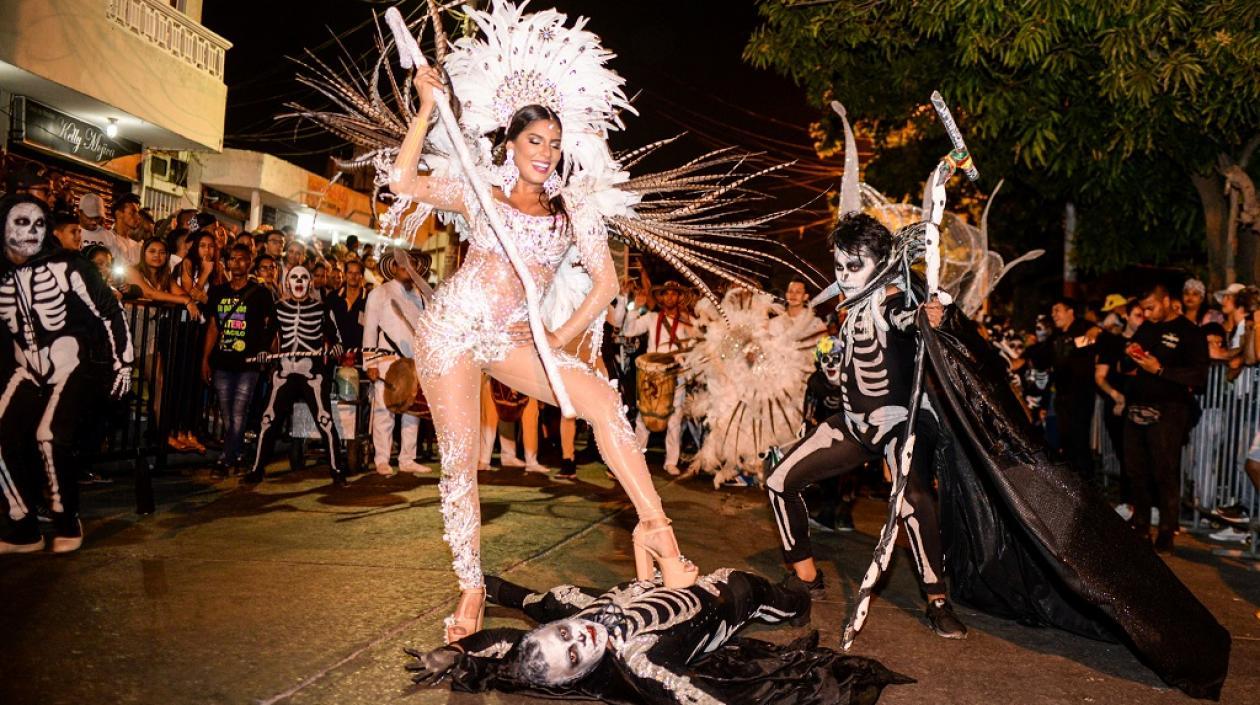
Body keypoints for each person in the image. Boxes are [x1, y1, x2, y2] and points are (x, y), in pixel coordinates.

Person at [762, 213, 964, 639]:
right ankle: (805, 577)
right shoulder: (851, 306)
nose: (844, 275)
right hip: (854, 423)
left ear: (881, 263)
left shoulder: (891, 300)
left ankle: (937, 599)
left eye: (855, 266)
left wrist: (928, 316)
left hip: (897, 423)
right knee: (779, 480)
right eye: (839, 266)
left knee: (912, 498)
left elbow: (907, 319)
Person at [404, 570, 911, 705]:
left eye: (564, 634)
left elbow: (513, 625)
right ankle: (796, 591)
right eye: (576, 652)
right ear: (583, 671)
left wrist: (456, 648)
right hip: (729, 593)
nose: (581, 635)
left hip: (670, 574)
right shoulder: (641, 661)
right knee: (789, 602)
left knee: (548, 599)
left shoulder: (579, 612)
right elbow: (695, 698)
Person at [0, 196, 133, 554]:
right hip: (25, 368)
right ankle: (22, 527)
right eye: (20, 223)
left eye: (36, 223)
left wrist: (123, 362)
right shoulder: (3, 274)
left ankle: (66, 519)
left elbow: (109, 310)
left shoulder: (69, 266)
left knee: (49, 435)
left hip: (70, 361)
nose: (29, 232)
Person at [1122, 283, 1209, 553]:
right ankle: (1141, 525)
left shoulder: (1190, 332)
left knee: (1164, 470)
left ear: (1167, 300)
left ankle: (1167, 530)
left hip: (1170, 409)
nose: (1147, 314)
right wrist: (1130, 355)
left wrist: (1160, 370)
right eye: (1143, 309)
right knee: (1135, 469)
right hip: (1137, 405)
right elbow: (1126, 365)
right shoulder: (1147, 328)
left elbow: (1199, 376)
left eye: (1151, 308)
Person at [245, 264, 346, 486]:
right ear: (287, 283)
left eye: (303, 278)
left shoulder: (321, 308)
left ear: (310, 283)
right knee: (268, 420)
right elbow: (267, 334)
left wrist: (337, 347)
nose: (299, 281)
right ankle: (256, 469)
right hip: (285, 370)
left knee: (325, 420)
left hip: (312, 373)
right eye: (294, 277)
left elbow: (335, 336)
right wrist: (262, 350)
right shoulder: (278, 308)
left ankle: (337, 470)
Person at [202, 244, 275, 477]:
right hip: (222, 360)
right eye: (232, 259)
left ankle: (226, 458)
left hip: (248, 361)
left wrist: (268, 354)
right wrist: (205, 359)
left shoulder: (260, 293)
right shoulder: (218, 292)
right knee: (226, 412)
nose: (236, 263)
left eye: (242, 259)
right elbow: (213, 327)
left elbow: (271, 326)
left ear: (249, 263)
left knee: (239, 410)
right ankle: (238, 452)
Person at [362, 249, 430, 476]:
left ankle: (408, 459)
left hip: (413, 362)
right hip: (386, 359)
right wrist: (371, 363)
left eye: (411, 263)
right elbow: (370, 330)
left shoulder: (420, 297)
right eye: (401, 263)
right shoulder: (379, 293)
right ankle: (382, 459)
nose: (406, 267)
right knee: (384, 410)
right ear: (392, 267)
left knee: (412, 410)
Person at [620, 280, 696, 476]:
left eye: (674, 293)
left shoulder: (687, 321)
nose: (670, 296)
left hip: (676, 375)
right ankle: (636, 460)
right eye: (666, 293)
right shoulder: (652, 318)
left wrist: (684, 360)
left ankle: (671, 462)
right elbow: (628, 331)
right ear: (661, 297)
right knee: (643, 419)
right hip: (651, 376)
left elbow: (695, 346)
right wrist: (634, 309)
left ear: (679, 297)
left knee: (674, 421)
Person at [1049, 297, 1100, 480]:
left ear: (1070, 311)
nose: (1053, 315)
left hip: (1080, 395)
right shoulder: (1056, 335)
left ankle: (1087, 482)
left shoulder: (1084, 327)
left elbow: (1103, 333)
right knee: (1066, 441)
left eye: (1057, 310)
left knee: (1079, 441)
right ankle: (1071, 482)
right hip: (1062, 395)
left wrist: (1096, 331)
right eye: (1052, 311)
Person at [328, 258, 367, 350]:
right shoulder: (333, 297)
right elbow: (328, 325)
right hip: (338, 351)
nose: (353, 276)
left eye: (357, 273)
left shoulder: (369, 298)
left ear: (362, 276)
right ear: (345, 274)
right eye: (350, 272)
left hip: (361, 351)